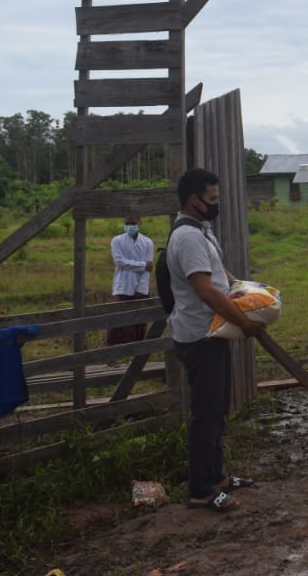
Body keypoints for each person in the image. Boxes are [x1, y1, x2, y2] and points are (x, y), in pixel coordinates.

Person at [166, 168, 264, 512]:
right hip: (199, 336)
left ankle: (217, 476)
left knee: (218, 408)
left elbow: (219, 275)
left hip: (213, 332)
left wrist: (247, 291)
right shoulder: (188, 237)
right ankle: (200, 490)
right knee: (205, 415)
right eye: (212, 198)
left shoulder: (200, 230)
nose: (216, 204)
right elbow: (205, 290)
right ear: (194, 200)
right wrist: (245, 323)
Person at [106, 214, 154, 348]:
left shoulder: (147, 242)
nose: (130, 226)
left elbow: (148, 269)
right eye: (127, 224)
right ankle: (112, 357)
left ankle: (137, 357)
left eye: (132, 223)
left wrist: (141, 289)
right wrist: (143, 265)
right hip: (122, 287)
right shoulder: (117, 241)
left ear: (139, 223)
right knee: (117, 324)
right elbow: (120, 263)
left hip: (141, 289)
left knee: (139, 325)